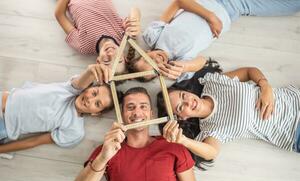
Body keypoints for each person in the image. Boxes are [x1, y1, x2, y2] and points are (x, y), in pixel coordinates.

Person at [70, 87, 205, 181]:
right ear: (122, 116)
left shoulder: (173, 145)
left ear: (151, 114)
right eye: (130, 107)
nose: (137, 112)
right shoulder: (107, 149)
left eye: (143, 106)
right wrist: (103, 157)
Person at [157, 60, 300, 163]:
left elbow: (249, 71)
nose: (188, 101)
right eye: (181, 107)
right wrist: (183, 140)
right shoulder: (211, 129)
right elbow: (211, 153)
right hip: (294, 132)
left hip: (295, 99)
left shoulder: (212, 83)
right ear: (181, 118)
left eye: (183, 95)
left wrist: (265, 85)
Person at [130, 0, 300, 82]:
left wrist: (209, 16)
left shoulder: (153, 37)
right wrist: (185, 66)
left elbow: (178, 2)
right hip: (236, 7)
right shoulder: (179, 65)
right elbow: (202, 61)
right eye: (156, 68)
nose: (157, 61)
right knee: (293, 5)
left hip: (210, 2)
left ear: (145, 52)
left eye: (149, 59)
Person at [0, 63, 120, 154]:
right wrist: (92, 70)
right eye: (94, 93)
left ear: (96, 113)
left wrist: (1, 150)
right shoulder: (70, 90)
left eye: (97, 104)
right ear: (88, 88)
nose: (90, 100)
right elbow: (85, 78)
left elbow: (33, 141)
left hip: (4, 126)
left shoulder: (75, 130)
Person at [55, 0, 141, 73]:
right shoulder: (123, 35)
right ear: (124, 56)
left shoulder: (84, 46)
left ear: (98, 61)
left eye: (107, 61)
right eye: (118, 60)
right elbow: (135, 9)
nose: (111, 54)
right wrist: (135, 22)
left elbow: (60, 15)